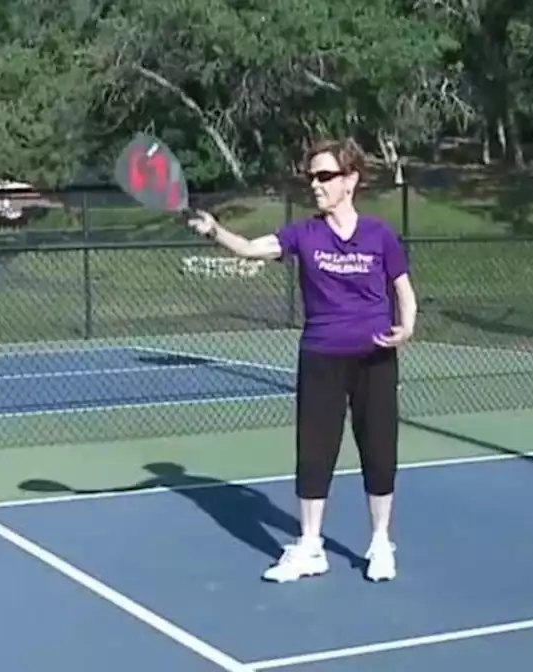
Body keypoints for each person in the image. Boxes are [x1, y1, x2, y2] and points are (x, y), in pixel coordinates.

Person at [184, 138, 417, 583]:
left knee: (379, 450)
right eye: (310, 176)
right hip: (321, 357)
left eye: (324, 176)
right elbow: (252, 249)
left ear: (350, 181)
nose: (315, 184)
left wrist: (405, 328)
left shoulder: (380, 235)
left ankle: (380, 543)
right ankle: (311, 547)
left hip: (375, 358)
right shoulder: (303, 234)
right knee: (314, 454)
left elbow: (405, 292)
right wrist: (216, 231)